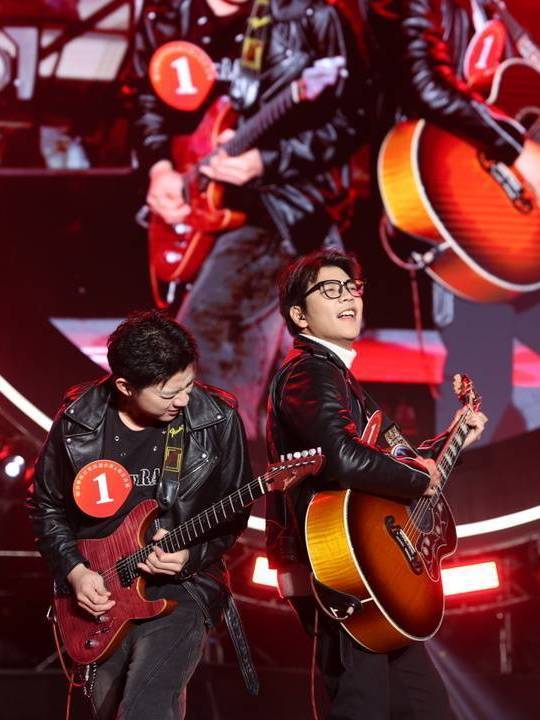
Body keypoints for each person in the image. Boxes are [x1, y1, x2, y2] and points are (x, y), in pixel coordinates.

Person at [265, 249, 487, 719]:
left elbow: (394, 462)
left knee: (425, 707)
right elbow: (341, 456)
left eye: (352, 288)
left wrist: (451, 439)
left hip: (373, 572)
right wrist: (418, 478)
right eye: (330, 290)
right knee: (362, 704)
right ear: (299, 315)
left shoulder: (338, 376)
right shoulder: (309, 371)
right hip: (342, 568)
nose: (348, 297)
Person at [132, 0, 367, 441]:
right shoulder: (166, 14)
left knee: (207, 371)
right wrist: (159, 167)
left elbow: (353, 119)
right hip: (198, 213)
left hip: (281, 213)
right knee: (274, 404)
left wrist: (267, 160)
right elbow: (147, 101)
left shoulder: (311, 15)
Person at [26, 310, 255, 720]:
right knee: (107, 709)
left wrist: (192, 555)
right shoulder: (78, 417)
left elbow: (235, 509)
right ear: (125, 386)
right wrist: (75, 572)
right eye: (169, 394)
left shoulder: (216, 417)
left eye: (188, 385)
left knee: (146, 706)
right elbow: (46, 505)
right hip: (101, 590)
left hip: (183, 586)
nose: (183, 401)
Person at [366, 0, 540, 444]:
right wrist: (517, 148)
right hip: (464, 211)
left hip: (519, 225)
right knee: (482, 392)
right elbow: (423, 85)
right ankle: (452, 489)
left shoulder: (500, 13)